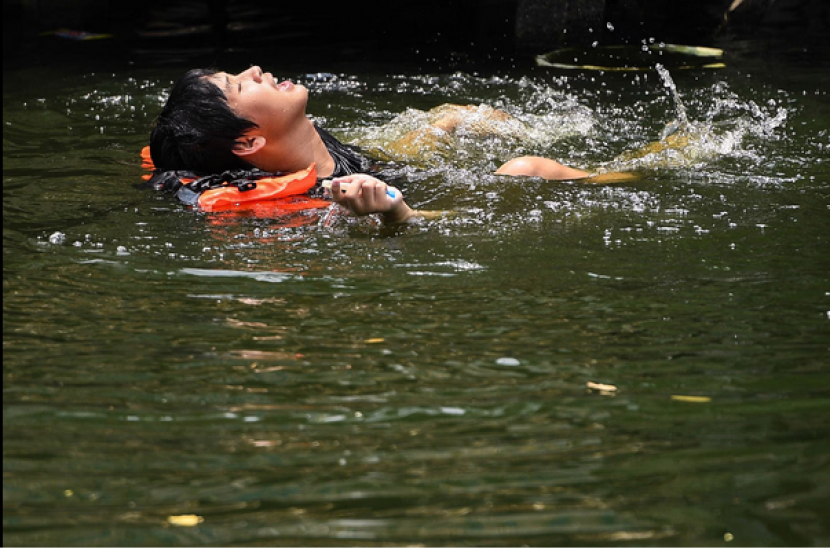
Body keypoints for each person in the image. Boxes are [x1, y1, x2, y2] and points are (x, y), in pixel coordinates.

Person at [148, 65, 634, 222]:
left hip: (378, 162)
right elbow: (433, 225)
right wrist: (394, 214)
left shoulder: (316, 147)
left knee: (455, 118)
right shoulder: (327, 202)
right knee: (527, 168)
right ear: (249, 142)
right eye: (239, 85)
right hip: (412, 199)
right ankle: (640, 170)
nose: (256, 70)